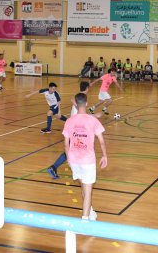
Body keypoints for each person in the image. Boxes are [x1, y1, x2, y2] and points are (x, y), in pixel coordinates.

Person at [63, 92, 108, 220]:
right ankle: (85, 220)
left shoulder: (69, 121)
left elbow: (66, 143)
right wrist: (104, 156)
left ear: (76, 104)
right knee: (88, 191)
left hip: (74, 160)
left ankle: (91, 211)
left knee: (83, 185)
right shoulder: (92, 120)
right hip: (88, 161)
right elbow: (101, 141)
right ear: (86, 104)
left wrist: (68, 159)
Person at [47, 81, 101, 179]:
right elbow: (81, 115)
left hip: (74, 127)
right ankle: (54, 167)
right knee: (72, 150)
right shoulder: (81, 99)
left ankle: (62, 167)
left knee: (75, 149)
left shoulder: (78, 97)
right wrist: (95, 115)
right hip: (76, 129)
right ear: (88, 88)